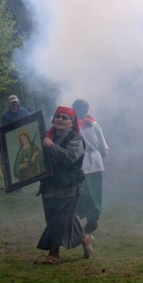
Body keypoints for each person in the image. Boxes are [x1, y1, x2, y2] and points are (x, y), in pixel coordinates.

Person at [36, 106, 94, 264]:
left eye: (64, 117)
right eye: (58, 116)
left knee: (60, 220)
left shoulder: (76, 139)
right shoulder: (46, 136)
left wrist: (52, 147)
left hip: (70, 186)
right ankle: (85, 238)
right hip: (50, 186)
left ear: (71, 122)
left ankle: (54, 253)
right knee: (57, 219)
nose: (60, 119)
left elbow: (70, 157)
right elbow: (35, 159)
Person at [72, 99, 109, 235]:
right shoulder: (94, 124)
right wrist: (99, 156)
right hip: (96, 163)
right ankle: (93, 216)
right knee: (95, 192)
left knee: (84, 192)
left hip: (82, 163)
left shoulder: (73, 125)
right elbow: (103, 147)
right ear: (86, 110)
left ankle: (91, 218)